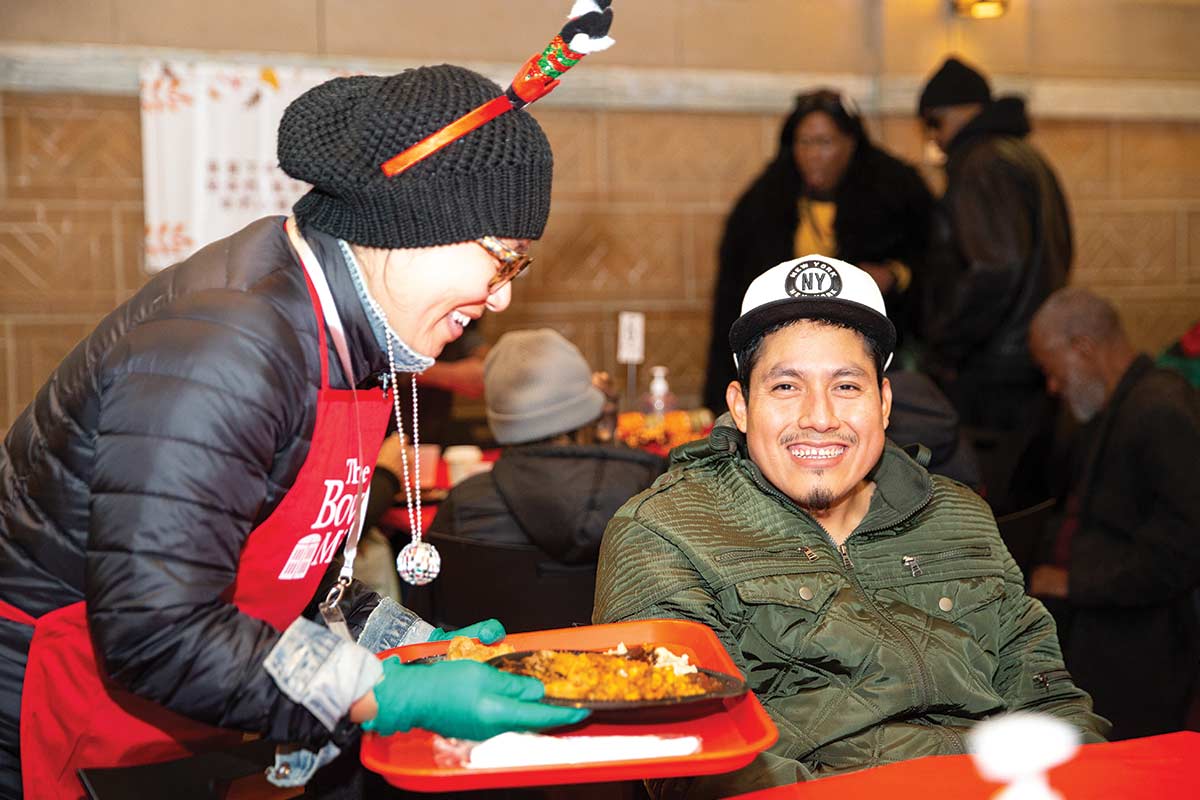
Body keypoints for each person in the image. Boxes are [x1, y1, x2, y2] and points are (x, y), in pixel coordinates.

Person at [0, 63, 595, 800]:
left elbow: (296, 575)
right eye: (501, 258)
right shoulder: (227, 343)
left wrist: (406, 648)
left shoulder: (358, 335)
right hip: (62, 711)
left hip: (187, 711)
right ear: (416, 221)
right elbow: (155, 632)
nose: (502, 297)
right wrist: (384, 697)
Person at [595, 254, 1107, 799]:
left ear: (883, 403)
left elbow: (1048, 698)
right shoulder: (666, 532)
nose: (820, 416)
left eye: (846, 386)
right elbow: (695, 756)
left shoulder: (958, 515)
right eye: (786, 386)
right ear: (741, 407)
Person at [407, 329, 665, 633]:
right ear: (594, 415)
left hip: (495, 671)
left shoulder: (464, 505)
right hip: (629, 672)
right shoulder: (650, 490)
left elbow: (429, 619)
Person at [1027, 287, 1200, 740]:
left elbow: (1184, 552)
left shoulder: (1160, 410)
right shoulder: (1115, 405)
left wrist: (1073, 581)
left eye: (1051, 369)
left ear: (1082, 347)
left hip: (1142, 647)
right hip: (1104, 622)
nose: (1053, 386)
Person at [702, 89, 934, 413]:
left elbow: (933, 264)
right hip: (787, 357)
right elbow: (734, 295)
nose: (812, 154)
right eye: (804, 143)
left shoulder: (896, 193)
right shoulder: (764, 202)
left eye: (825, 142)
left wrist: (894, 275)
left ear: (850, 144)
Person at [916, 56, 1073, 512]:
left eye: (934, 122)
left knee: (989, 505)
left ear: (960, 111)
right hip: (1029, 360)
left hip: (993, 372)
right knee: (1027, 496)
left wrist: (946, 345)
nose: (934, 137)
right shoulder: (1027, 157)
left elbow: (995, 268)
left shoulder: (981, 162)